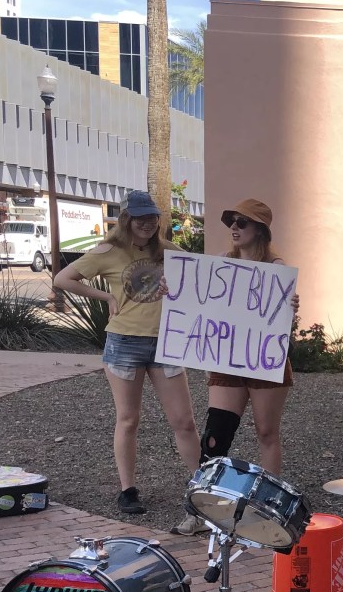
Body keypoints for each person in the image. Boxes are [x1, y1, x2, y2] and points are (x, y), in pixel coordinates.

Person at [53, 190, 200, 515]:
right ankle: (128, 490)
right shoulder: (108, 251)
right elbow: (63, 278)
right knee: (129, 419)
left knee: (184, 421)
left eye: (151, 217)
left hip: (166, 343)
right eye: (140, 217)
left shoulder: (171, 252)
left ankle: (200, 486)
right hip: (124, 343)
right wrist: (106, 298)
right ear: (127, 219)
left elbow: (198, 285)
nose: (147, 223)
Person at [172, 198, 297, 535]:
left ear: (261, 230)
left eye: (243, 221)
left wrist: (290, 304)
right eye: (232, 222)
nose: (235, 228)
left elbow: (281, 317)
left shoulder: (276, 267)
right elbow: (198, 302)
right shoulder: (221, 265)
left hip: (263, 359)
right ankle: (201, 509)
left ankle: (270, 507)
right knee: (215, 435)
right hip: (227, 359)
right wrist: (176, 294)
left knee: (266, 432)